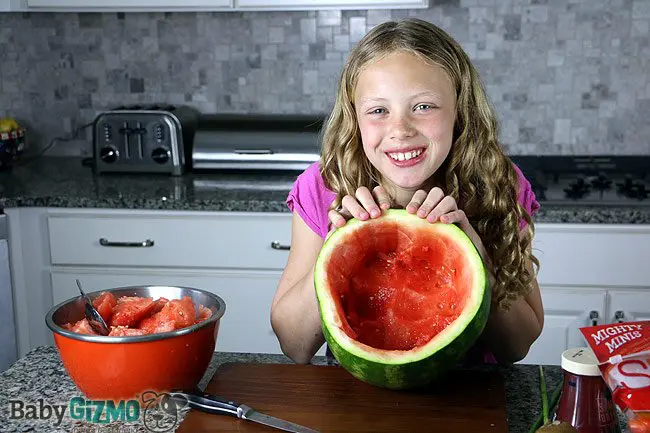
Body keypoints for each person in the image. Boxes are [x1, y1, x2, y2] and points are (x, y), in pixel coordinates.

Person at [270, 17, 544, 366]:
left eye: (423, 106)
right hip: (352, 400)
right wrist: (337, 251)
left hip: (472, 403)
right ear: (354, 117)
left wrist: (478, 260)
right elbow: (294, 345)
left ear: (460, 111)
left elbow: (517, 346)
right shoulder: (324, 186)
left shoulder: (499, 183)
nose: (400, 130)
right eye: (378, 110)